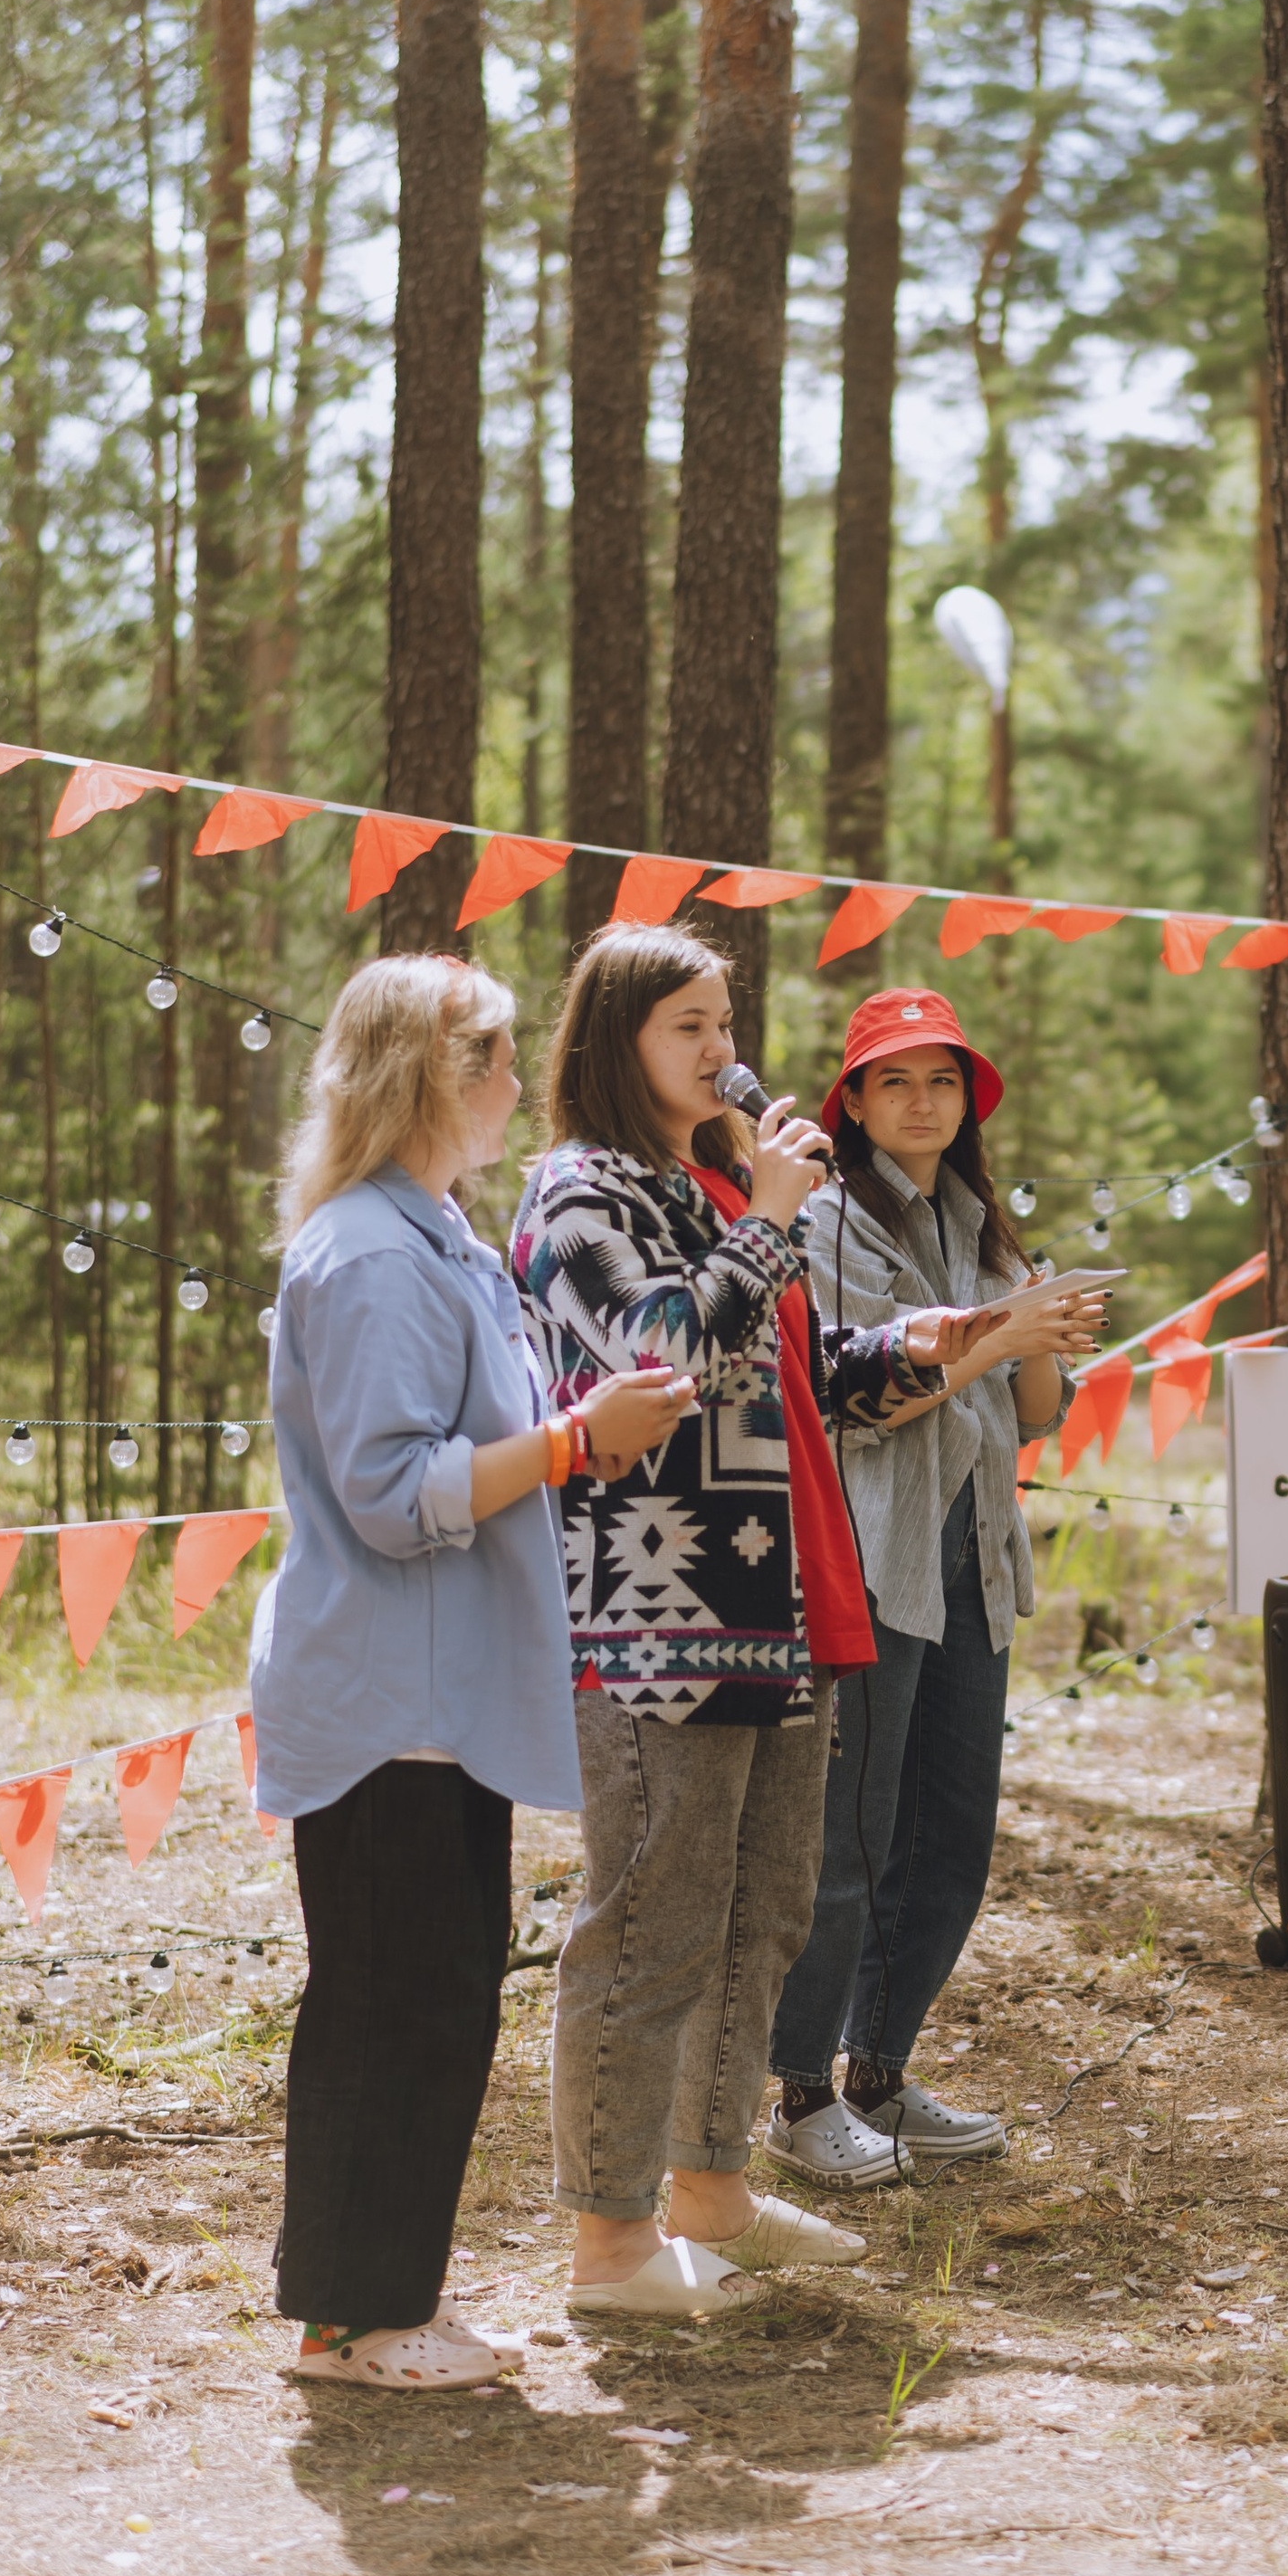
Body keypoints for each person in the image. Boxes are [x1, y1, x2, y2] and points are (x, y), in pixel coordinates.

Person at [511, 928, 1000, 2316]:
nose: (723, 1050)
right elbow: (668, 1350)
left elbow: (780, 1382)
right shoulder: (577, 1195)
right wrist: (773, 1217)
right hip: (662, 1611)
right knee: (653, 1921)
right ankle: (609, 2244)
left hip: (788, 1598)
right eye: (688, 1027)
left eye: (726, 1020)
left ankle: (713, 2195)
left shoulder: (714, 1185)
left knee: (759, 1918)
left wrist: (906, 1345)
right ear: (616, 1045)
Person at [253, 954, 694, 2390]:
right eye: (499, 1059)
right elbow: (391, 1492)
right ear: (432, 1077)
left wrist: (584, 1423)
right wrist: (575, 1443)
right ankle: (356, 2322)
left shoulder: (434, 1232)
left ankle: (387, 2304)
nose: (521, 1084)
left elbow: (471, 1442)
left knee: (432, 1997)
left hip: (440, 1702)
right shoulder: (376, 1255)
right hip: (390, 1701)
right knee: (396, 2001)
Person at [764, 989, 1107, 2189]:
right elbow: (847, 1403)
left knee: (951, 1829)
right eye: (894, 1080)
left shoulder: (979, 1220)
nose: (921, 1102)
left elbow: (1031, 1417)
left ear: (970, 1104)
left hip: (974, 1554)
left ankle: (882, 2074)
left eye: (942, 1081)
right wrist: (991, 1341)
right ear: (851, 1102)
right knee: (851, 1834)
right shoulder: (823, 1224)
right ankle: (801, 2092)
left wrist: (1041, 1334)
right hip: (870, 1556)